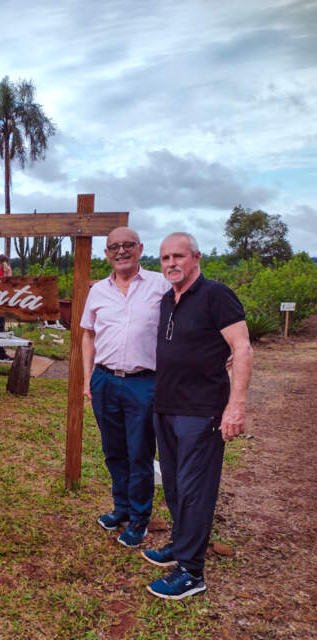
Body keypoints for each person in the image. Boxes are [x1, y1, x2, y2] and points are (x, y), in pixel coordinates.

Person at [143, 232, 252, 600]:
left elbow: (242, 348)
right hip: (167, 407)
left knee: (195, 490)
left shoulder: (216, 296)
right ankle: (182, 543)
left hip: (201, 410)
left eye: (178, 256)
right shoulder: (166, 301)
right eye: (164, 258)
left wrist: (234, 407)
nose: (171, 263)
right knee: (174, 486)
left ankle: (192, 573)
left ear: (196, 258)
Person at [81, 227, 171, 547]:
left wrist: (223, 345)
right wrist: (87, 376)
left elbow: (189, 318)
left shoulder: (161, 286)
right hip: (105, 380)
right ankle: (120, 509)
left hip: (143, 382)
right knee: (113, 451)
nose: (121, 251)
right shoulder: (98, 291)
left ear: (140, 248)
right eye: (114, 247)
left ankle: (139, 519)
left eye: (127, 245)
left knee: (140, 453)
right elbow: (88, 334)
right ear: (106, 253)